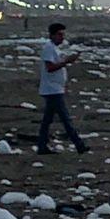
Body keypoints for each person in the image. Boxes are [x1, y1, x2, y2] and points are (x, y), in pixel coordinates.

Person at [37, 22, 88, 155]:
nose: (62, 37)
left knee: (48, 120)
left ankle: (42, 146)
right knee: (65, 119)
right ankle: (79, 145)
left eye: (63, 35)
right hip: (52, 89)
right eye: (59, 35)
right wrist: (66, 62)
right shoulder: (49, 48)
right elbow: (50, 67)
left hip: (55, 88)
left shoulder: (54, 48)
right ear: (52, 35)